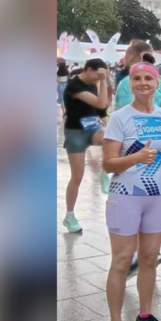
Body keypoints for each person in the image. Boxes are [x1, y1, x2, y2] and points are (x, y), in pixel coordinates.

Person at [100, 62, 161, 321]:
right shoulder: (121, 117)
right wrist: (136, 158)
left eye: (148, 78)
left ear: (158, 84)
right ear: (130, 84)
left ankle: (144, 317)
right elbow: (108, 163)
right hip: (126, 196)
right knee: (122, 261)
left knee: (149, 258)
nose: (143, 83)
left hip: (157, 197)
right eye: (137, 78)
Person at [62, 58, 110, 232]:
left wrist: (108, 123)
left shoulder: (93, 83)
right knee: (77, 176)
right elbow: (100, 103)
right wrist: (104, 81)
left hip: (92, 127)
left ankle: (105, 174)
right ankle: (69, 215)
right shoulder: (74, 86)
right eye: (97, 76)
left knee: (110, 138)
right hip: (75, 131)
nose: (98, 80)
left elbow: (100, 109)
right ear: (88, 69)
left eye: (100, 78)